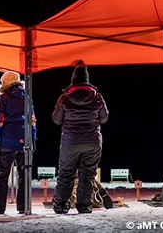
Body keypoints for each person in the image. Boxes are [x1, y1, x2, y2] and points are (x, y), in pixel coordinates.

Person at [52, 61, 109, 214]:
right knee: (88, 174)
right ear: (87, 79)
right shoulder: (97, 97)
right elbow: (104, 118)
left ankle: (61, 206)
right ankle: (84, 207)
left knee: (66, 174)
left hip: (70, 141)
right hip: (92, 141)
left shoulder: (64, 98)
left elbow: (56, 120)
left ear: (73, 80)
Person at [0, 71, 37, 215]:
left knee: (1, 175)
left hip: (7, 142)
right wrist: (33, 138)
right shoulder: (27, 97)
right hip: (24, 141)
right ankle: (23, 206)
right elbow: (32, 120)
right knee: (24, 175)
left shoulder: (2, 98)